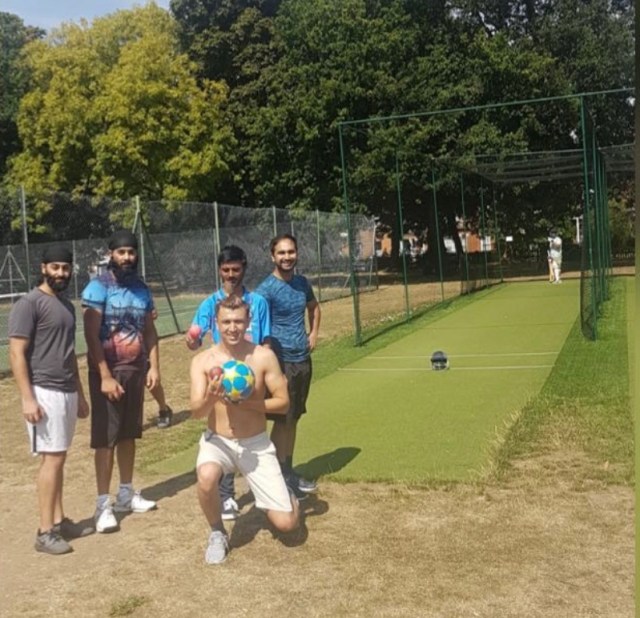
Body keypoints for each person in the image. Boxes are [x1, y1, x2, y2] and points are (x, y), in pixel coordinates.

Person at [190, 295, 299, 564]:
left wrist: (248, 403)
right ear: (216, 323)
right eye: (226, 322)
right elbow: (197, 412)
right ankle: (217, 532)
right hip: (218, 441)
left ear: (248, 321)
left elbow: (283, 403)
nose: (232, 328)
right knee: (206, 477)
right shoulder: (203, 361)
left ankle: (287, 495)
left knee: (287, 524)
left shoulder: (263, 357)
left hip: (255, 444)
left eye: (238, 321)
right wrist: (212, 397)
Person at [8, 245, 92, 555]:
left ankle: (58, 521)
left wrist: (80, 395)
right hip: (44, 391)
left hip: (67, 390)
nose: (61, 273)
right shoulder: (29, 304)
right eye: (55, 267)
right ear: (43, 268)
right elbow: (16, 353)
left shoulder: (67, 306)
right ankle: (44, 532)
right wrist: (28, 398)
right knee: (52, 459)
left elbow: (69, 355)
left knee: (60, 457)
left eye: (65, 268)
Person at [82, 230, 160, 533]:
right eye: (121, 252)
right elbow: (91, 335)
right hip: (108, 373)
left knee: (129, 434)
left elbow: (150, 331)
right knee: (106, 439)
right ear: (110, 254)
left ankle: (126, 493)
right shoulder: (98, 287)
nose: (127, 257)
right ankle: (103, 504)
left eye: (131, 252)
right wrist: (104, 376)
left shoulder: (142, 289)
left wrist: (154, 367)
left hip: (135, 370)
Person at [185, 245, 270, 520]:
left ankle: (262, 484)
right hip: (224, 376)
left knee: (252, 429)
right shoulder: (210, 303)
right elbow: (196, 338)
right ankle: (227, 495)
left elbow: (265, 339)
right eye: (226, 270)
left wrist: (264, 369)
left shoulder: (258, 302)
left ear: (244, 268)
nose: (231, 274)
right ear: (220, 271)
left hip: (252, 374)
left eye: (236, 269)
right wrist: (192, 339)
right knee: (226, 429)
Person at [256, 234, 321, 499]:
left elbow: (314, 308)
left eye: (291, 252)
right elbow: (257, 325)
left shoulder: (302, 283)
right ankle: (275, 477)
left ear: (297, 253)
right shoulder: (266, 290)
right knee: (282, 421)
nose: (287, 257)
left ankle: (288, 471)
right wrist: (268, 360)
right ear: (272, 256)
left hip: (302, 361)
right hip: (280, 364)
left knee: (293, 419)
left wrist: (313, 333)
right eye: (281, 253)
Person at [149, 307, 173, 428]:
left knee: (150, 380)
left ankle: (163, 409)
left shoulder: (140, 295)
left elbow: (153, 313)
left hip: (141, 341)